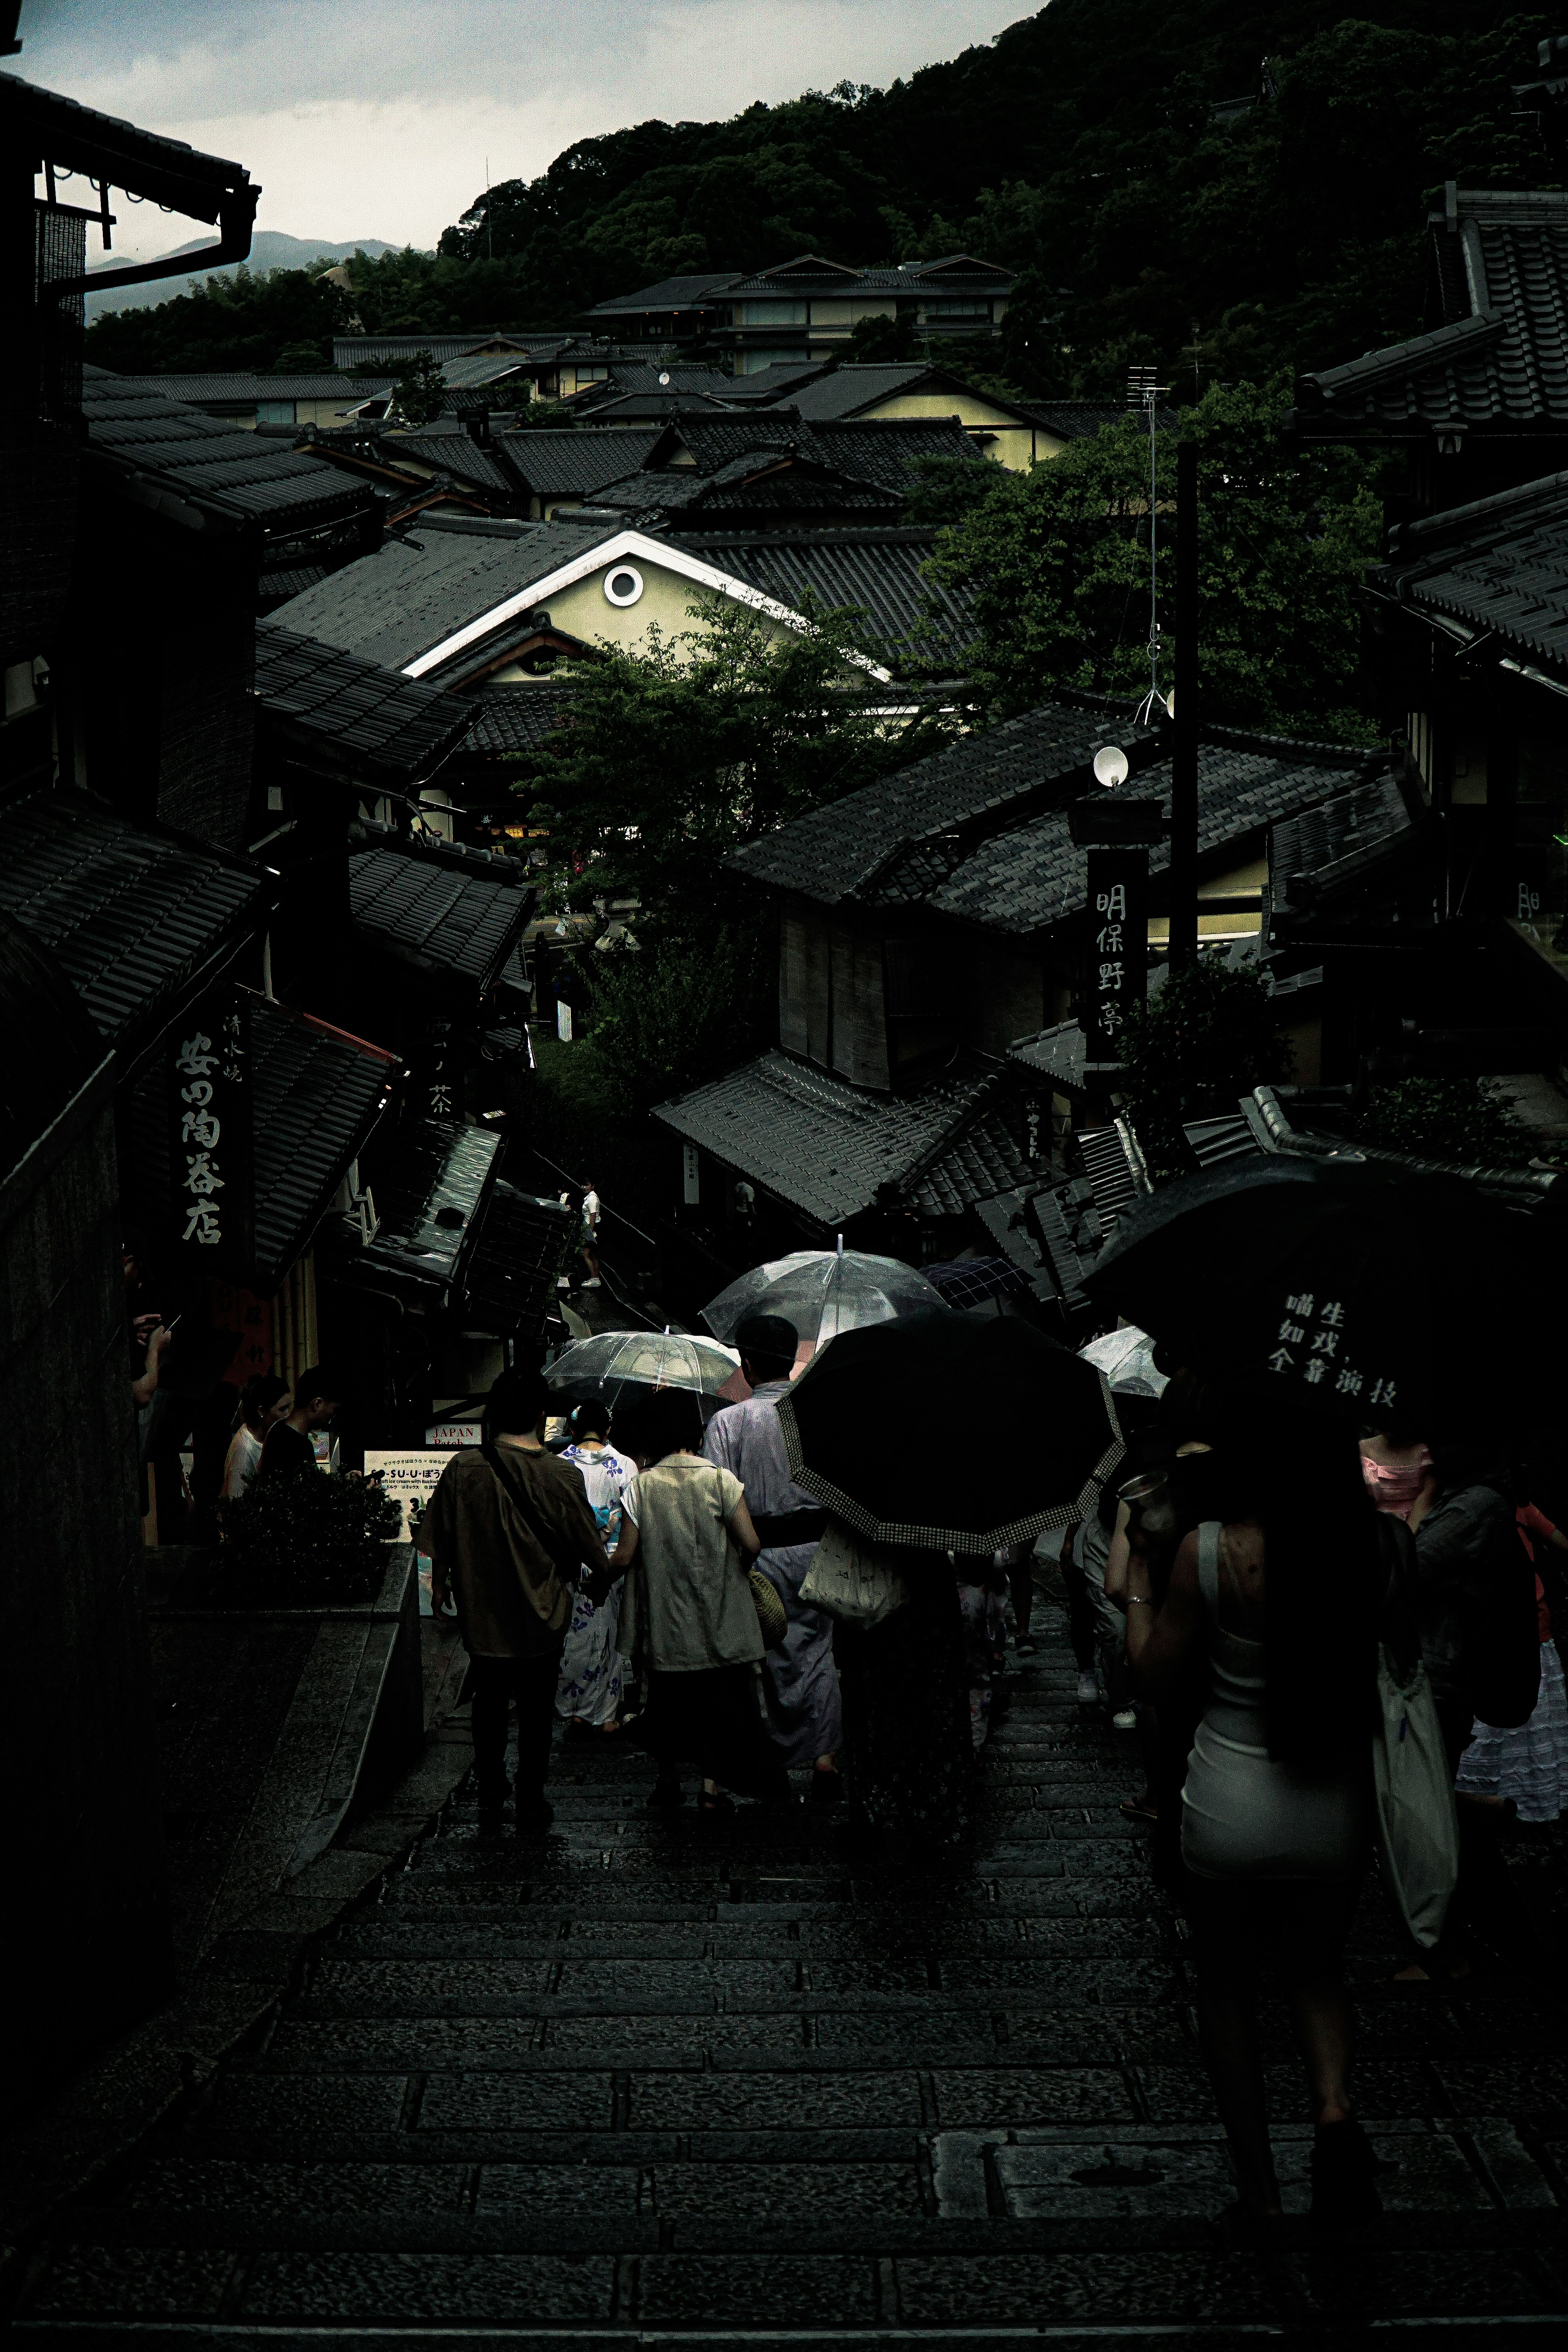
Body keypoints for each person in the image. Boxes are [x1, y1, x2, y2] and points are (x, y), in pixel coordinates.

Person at [1123, 1393, 1383, 2235]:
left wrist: (1135, 1592)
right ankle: (1335, 2113)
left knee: (1228, 1995)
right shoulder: (1378, 1548)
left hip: (1228, 1804)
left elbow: (1155, 1680)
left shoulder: (1210, 1550)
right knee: (1317, 1972)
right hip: (1336, 1800)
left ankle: (1262, 2194)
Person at [425, 1367, 610, 1832]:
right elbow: (589, 1545)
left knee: (488, 1702)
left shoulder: (464, 1468)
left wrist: (442, 1584)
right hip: (541, 1613)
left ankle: (491, 1787)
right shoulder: (559, 1475)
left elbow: (440, 1539)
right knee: (535, 1708)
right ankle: (531, 1797)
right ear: (541, 1414)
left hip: (483, 1611)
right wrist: (603, 1578)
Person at [610, 1386, 791, 1813]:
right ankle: (711, 1790)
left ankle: (668, 1780)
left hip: (664, 1619)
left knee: (666, 1703)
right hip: (718, 1616)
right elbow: (751, 1543)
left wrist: (600, 1579)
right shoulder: (720, 1479)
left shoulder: (643, 1487)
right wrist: (736, 1570)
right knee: (717, 1703)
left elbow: (625, 1556)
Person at [702, 1314, 843, 1803]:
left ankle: (770, 1758)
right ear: (791, 1362)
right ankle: (824, 1759)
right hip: (817, 1550)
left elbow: (716, 1495)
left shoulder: (729, 1422)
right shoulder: (820, 1413)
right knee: (818, 1652)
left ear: (747, 1365)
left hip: (755, 1553)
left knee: (760, 1659)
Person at [832, 1540, 973, 1858]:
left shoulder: (867, 1497)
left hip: (874, 1598)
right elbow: (975, 1570)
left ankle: (876, 1809)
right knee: (934, 1712)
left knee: (874, 1710)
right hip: (931, 1608)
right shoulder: (958, 1500)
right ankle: (933, 1815)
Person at [1454, 1503, 1568, 1825]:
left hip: (1529, 1632)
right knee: (1490, 1724)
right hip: (1486, 1633)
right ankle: (1480, 1799)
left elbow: (1559, 1539)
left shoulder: (1521, 1508)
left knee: (1529, 1721)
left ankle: (1524, 1799)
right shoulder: (1461, 1509)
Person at [555, 1397, 634, 1734]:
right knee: (609, 1633)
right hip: (614, 1561)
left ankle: (570, 1705)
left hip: (571, 1559)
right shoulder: (626, 1465)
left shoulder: (559, 1464)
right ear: (608, 1430)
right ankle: (604, 1713)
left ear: (572, 1429)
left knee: (573, 1633)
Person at [256, 1366, 344, 1478]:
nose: (333, 1415)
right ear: (317, 1404)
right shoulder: (296, 1446)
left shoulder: (277, 1428)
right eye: (334, 1410)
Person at [222, 1373, 292, 1500]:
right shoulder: (243, 1450)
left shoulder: (270, 1436)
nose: (287, 1415)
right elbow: (236, 1502)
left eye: (289, 1408)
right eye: (282, 1410)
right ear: (261, 1411)